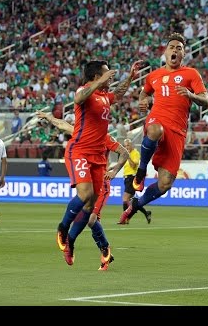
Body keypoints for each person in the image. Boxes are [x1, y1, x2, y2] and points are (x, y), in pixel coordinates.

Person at [54, 59, 142, 268]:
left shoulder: (104, 96)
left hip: (97, 158)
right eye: (106, 74)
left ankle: (71, 244)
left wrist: (130, 77)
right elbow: (78, 98)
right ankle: (63, 228)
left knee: (89, 206)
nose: (110, 78)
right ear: (96, 76)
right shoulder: (86, 91)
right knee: (84, 195)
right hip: (80, 151)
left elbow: (118, 95)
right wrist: (101, 79)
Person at [118, 32, 208, 224]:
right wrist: (142, 102)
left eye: (179, 48)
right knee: (154, 130)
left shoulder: (191, 74)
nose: (175, 50)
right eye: (172, 47)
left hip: (177, 131)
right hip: (157, 120)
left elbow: (206, 101)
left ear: (183, 54)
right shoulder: (154, 75)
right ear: (165, 52)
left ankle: (135, 206)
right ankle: (141, 171)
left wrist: (191, 95)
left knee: (165, 183)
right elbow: (143, 95)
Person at [36, 110, 129, 271]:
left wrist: (114, 170)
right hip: (87, 182)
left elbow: (124, 152)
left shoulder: (105, 138)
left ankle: (104, 249)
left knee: (91, 220)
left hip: (101, 183)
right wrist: (49, 117)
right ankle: (103, 251)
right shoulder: (85, 133)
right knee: (89, 219)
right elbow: (63, 125)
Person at [117, 138, 152, 225]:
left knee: (126, 198)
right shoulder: (125, 154)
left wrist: (128, 156)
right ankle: (146, 212)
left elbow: (133, 166)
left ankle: (125, 219)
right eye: (125, 146)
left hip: (132, 178)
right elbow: (122, 165)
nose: (126, 147)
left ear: (132, 145)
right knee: (133, 201)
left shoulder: (135, 153)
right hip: (126, 178)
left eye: (128, 145)